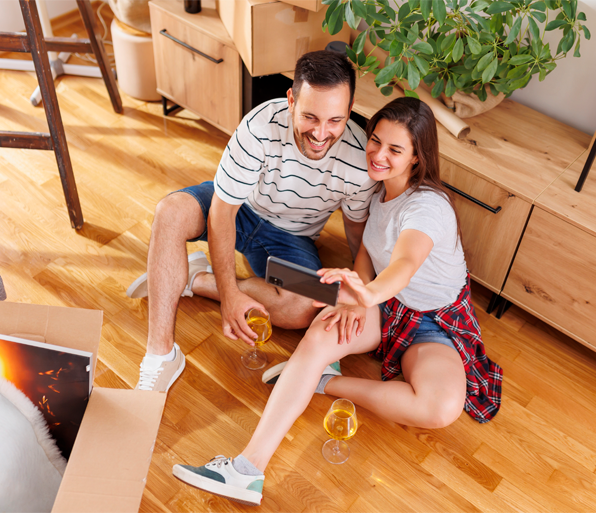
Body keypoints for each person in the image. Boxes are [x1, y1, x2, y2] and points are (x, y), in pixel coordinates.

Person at [170, 97, 503, 506]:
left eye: (395, 149)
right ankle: (246, 469)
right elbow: (367, 256)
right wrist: (355, 298)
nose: (378, 154)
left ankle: (324, 381)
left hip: (433, 321)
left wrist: (366, 295)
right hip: (385, 305)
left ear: (417, 157)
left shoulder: (428, 207)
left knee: (440, 409)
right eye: (375, 140)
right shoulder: (378, 192)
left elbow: (404, 265)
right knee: (313, 310)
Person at [127, 50, 378, 392]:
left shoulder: (360, 161)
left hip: (291, 238)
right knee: (170, 212)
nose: (321, 133)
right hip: (241, 210)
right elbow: (222, 212)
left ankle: (194, 278)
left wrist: (360, 295)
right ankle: (161, 355)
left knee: (304, 306)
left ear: (350, 110)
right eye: (309, 117)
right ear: (291, 100)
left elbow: (356, 234)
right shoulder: (259, 126)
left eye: (335, 120)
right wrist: (230, 296)